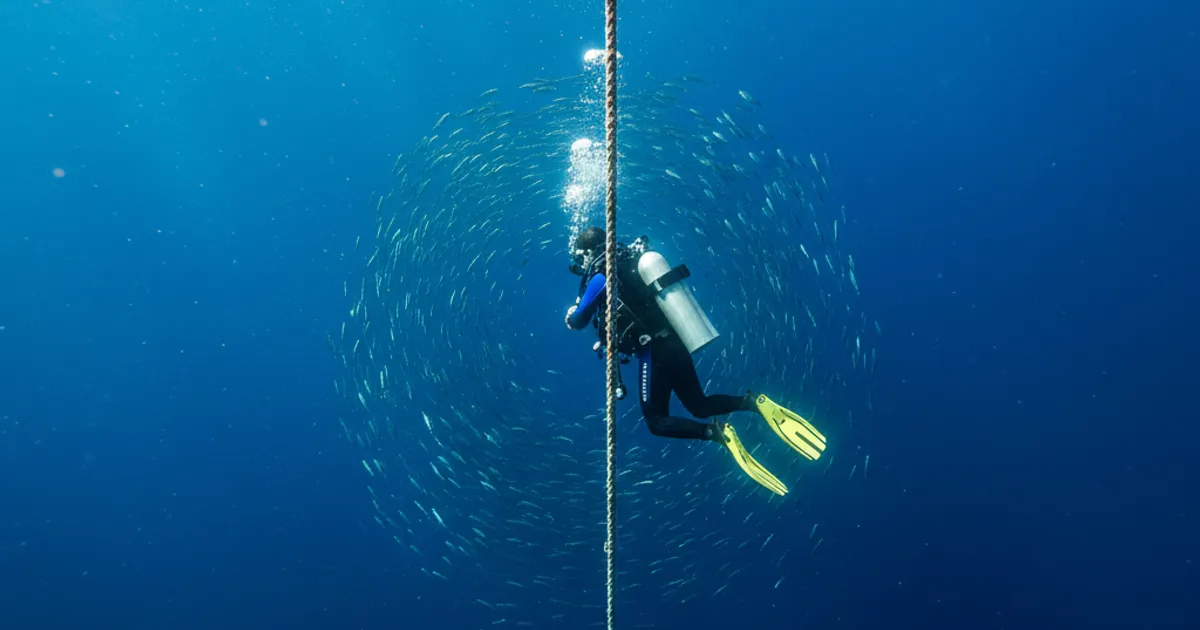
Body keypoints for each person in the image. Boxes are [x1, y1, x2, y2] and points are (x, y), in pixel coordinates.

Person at [564, 226, 827, 496]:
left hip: (652, 350)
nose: (580, 263)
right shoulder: (632, 260)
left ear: (588, 253)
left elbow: (579, 319)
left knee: (656, 421)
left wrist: (571, 313)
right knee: (699, 404)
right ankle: (753, 402)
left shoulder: (601, 275)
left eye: (580, 257)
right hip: (674, 341)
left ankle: (717, 434)